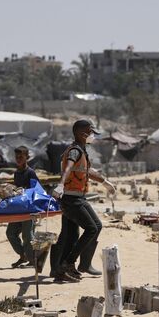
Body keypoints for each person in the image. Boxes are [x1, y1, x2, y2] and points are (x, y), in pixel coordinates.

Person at [51, 119, 116, 282]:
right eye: (91, 132)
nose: (93, 136)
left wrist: (104, 182)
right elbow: (68, 168)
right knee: (92, 228)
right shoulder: (75, 151)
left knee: (72, 235)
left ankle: (63, 269)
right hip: (72, 199)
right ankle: (68, 264)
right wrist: (60, 185)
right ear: (82, 134)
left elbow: (87, 171)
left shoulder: (81, 150)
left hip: (76, 197)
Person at [6, 146, 39, 268]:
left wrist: (25, 191)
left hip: (29, 208)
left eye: (21, 157)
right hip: (18, 208)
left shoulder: (30, 173)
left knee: (27, 235)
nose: (18, 159)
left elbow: (36, 190)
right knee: (10, 233)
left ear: (27, 157)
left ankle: (32, 260)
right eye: (17, 157)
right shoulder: (16, 173)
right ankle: (23, 255)